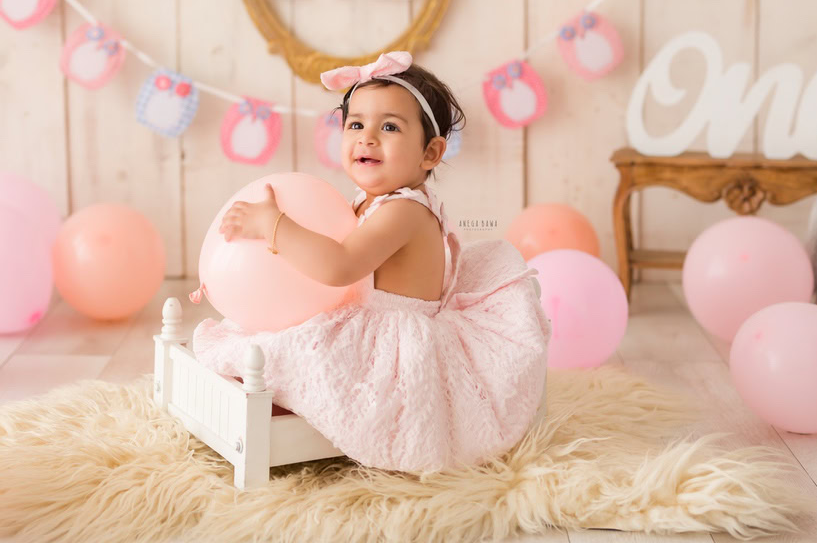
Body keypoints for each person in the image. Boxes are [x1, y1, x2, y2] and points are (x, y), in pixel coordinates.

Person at [191, 51, 549, 473]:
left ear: (430, 153)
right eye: (356, 124)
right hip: (362, 316)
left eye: (390, 127)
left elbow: (341, 266)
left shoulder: (406, 211)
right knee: (278, 335)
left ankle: (284, 420)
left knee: (305, 352)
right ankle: (262, 401)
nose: (367, 137)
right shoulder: (369, 202)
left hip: (395, 340)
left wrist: (274, 226)